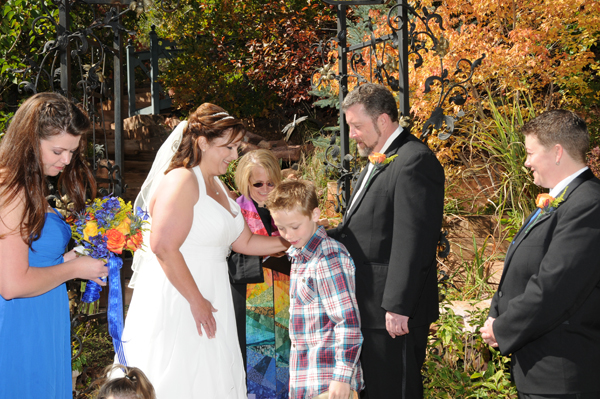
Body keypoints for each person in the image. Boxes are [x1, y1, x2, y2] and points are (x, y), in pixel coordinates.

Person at [118, 103, 288, 398]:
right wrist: (196, 300)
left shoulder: (218, 185)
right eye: (228, 147)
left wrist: (294, 239)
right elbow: (162, 246)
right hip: (183, 294)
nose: (235, 156)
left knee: (213, 376)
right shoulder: (183, 180)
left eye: (237, 147)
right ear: (203, 142)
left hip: (214, 289)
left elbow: (244, 242)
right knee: (184, 375)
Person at [327, 83, 445, 399]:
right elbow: (362, 229)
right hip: (370, 308)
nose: (351, 134)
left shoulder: (413, 160)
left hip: (391, 315)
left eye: (356, 126)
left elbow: (414, 239)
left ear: (382, 121)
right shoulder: (381, 159)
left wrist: (397, 305)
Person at [480, 110, 600, 398]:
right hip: (539, 370)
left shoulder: (588, 203)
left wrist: (503, 328)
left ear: (557, 152)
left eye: (531, 152)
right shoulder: (562, 200)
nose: (526, 162)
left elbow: (555, 286)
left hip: (562, 374)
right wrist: (495, 314)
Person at [0, 92, 108, 399]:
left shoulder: (28, 184)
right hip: (20, 323)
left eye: (72, 152)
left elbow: (29, 259)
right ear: (29, 141)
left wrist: (70, 260)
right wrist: (73, 268)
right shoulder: (12, 189)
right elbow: (11, 284)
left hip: (40, 314)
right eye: (58, 150)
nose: (67, 160)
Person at [266, 180, 363, 399]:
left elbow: (347, 321)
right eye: (281, 228)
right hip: (307, 380)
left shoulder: (327, 257)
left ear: (315, 214)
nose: (288, 235)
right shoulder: (300, 256)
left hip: (328, 383)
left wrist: (342, 377)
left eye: (295, 226)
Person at [228, 149, 291, 398]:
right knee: (256, 367)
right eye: (257, 183)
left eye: (271, 182)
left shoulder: (288, 208)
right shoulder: (234, 212)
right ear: (245, 182)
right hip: (249, 298)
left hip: (285, 297)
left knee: (285, 358)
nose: (265, 189)